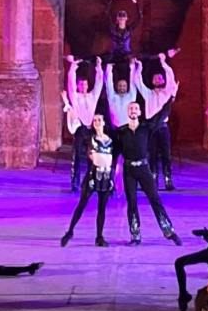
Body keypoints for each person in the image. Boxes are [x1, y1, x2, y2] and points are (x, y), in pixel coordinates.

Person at [112, 97, 182, 245]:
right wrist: (110, 172)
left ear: (140, 111)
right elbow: (115, 153)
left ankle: (169, 232)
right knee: (132, 202)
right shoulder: (121, 132)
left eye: (135, 108)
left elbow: (161, 115)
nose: (133, 110)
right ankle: (135, 236)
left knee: (155, 200)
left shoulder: (146, 128)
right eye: (131, 108)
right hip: (129, 170)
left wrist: (171, 98)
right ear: (127, 112)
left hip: (144, 169)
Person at [61, 115, 117, 247]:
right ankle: (70, 232)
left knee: (102, 208)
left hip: (106, 176)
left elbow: (112, 158)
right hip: (92, 176)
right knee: (82, 204)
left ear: (104, 122)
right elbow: (75, 127)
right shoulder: (89, 138)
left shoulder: (111, 140)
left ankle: (99, 237)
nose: (97, 122)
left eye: (99, 120)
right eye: (94, 120)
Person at [133, 50, 181, 191]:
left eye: (160, 78)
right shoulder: (148, 93)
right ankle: (153, 180)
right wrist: (139, 66)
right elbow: (137, 81)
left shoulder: (167, 92)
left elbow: (171, 77)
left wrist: (163, 62)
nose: (158, 80)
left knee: (166, 154)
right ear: (152, 81)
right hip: (150, 127)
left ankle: (168, 180)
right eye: (156, 78)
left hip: (162, 126)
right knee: (152, 154)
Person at [62, 54, 103, 193]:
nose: (83, 86)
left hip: (90, 129)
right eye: (81, 84)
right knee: (77, 157)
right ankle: (75, 183)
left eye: (85, 84)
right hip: (80, 129)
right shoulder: (76, 96)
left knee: (93, 157)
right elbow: (70, 84)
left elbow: (99, 83)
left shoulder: (92, 96)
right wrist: (73, 66)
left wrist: (98, 67)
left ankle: (91, 181)